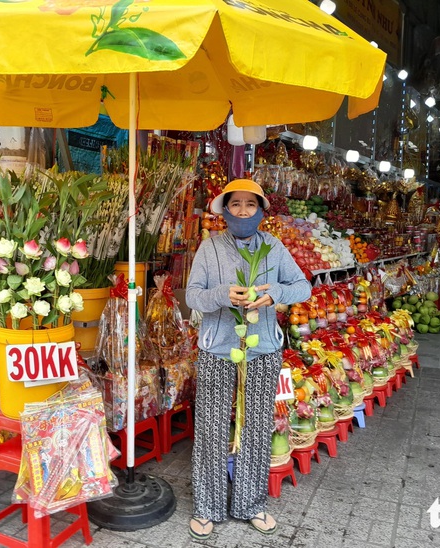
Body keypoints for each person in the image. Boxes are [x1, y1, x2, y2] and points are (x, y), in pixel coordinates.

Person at [185, 179, 312, 540]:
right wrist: (222, 295)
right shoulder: (209, 248)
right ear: (224, 210)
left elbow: (303, 286)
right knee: (210, 429)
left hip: (262, 350)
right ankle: (207, 508)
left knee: (257, 427)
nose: (242, 211)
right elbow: (193, 296)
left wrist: (276, 296)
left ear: (260, 210)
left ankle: (250, 504)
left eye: (249, 205)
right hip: (218, 349)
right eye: (235, 204)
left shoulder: (273, 246)